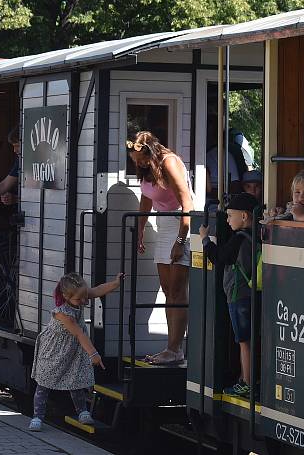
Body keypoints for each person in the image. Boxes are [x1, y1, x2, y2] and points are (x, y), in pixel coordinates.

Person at [127, 131, 193, 365]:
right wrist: (141, 228)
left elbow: (187, 202)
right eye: (135, 161)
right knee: (168, 291)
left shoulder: (169, 162)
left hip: (180, 223)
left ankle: (176, 349)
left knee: (177, 291)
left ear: (150, 151)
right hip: (163, 222)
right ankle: (171, 348)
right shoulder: (147, 167)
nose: (139, 164)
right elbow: (147, 197)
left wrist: (181, 241)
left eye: (141, 159)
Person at [28, 272, 123, 432]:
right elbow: (79, 333)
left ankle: (83, 411)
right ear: (66, 296)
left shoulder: (80, 295)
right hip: (54, 350)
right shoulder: (63, 313)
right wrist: (94, 354)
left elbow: (99, 289)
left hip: (72, 349)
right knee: (44, 383)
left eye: (85, 297)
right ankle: (37, 417)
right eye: (79, 300)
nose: (84, 301)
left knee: (75, 378)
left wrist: (115, 283)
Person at [199, 193, 259, 398]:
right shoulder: (256, 235)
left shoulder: (240, 239)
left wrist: (205, 239)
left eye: (230, 215)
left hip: (238, 295)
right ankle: (245, 379)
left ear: (244, 216)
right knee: (249, 340)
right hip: (251, 293)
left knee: (244, 342)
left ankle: (247, 384)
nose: (226, 220)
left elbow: (219, 257)